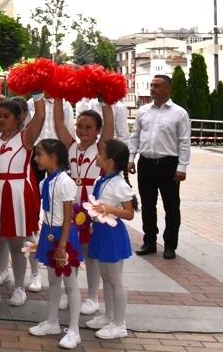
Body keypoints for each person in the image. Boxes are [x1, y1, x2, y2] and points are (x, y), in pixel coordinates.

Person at [0, 94, 45, 310]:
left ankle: (19, 288)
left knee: (16, 244)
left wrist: (38, 92)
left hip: (17, 192)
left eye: (7, 116)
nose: (2, 119)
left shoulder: (25, 138)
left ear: (18, 119)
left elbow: (40, 116)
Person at [54, 104, 114, 316]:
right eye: (80, 126)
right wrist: (58, 96)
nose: (83, 130)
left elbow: (109, 127)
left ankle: (92, 297)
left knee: (90, 253)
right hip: (70, 201)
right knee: (68, 247)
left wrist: (106, 103)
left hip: (91, 202)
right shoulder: (70, 145)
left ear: (97, 130)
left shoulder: (101, 147)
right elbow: (58, 122)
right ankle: (69, 291)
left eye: (89, 127)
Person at [29, 139, 83, 350]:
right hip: (50, 233)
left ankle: (74, 330)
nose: (36, 158)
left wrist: (62, 245)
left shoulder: (65, 182)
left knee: (70, 283)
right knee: (52, 280)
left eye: (39, 154)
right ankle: (52, 322)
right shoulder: (46, 182)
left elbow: (69, 216)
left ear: (53, 157)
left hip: (64, 236)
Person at [129, 74, 190, 260]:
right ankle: (149, 241)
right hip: (146, 162)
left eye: (157, 85)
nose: (152, 88)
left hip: (168, 164)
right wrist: (131, 158)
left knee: (171, 206)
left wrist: (182, 167)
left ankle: (170, 245)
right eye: (151, 85)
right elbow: (135, 136)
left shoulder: (179, 113)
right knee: (148, 205)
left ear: (167, 89)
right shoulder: (143, 111)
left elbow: (184, 142)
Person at [85, 139, 137, 340]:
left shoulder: (119, 184)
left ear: (110, 161)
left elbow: (129, 213)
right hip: (100, 231)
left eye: (100, 154)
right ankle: (108, 315)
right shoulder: (101, 180)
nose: (96, 156)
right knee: (105, 278)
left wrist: (108, 209)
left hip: (112, 234)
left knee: (115, 280)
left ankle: (119, 323)